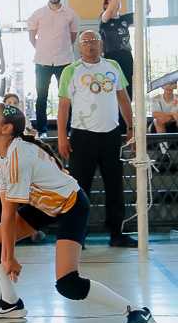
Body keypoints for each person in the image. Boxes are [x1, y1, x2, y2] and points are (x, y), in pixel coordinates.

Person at [0, 103, 155, 323]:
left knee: (68, 284)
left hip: (72, 205)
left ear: (6, 128)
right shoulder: (1, 158)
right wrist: (6, 256)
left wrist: (9, 257)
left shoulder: (19, 154)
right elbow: (6, 210)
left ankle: (136, 311)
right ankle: (10, 304)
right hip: (43, 205)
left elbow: (10, 213)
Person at [57, 30, 137, 248]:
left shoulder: (113, 66)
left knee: (115, 186)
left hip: (111, 135)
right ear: (79, 46)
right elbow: (63, 106)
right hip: (82, 136)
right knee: (79, 188)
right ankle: (77, 236)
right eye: (85, 42)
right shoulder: (70, 71)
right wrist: (62, 136)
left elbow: (123, 98)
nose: (90, 45)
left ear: (101, 44)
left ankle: (117, 233)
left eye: (94, 41)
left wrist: (131, 127)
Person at [27, 0, 78, 138]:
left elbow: (73, 37)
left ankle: (69, 130)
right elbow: (32, 37)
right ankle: (42, 130)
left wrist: (61, 49)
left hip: (65, 61)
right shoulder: (38, 13)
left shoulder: (70, 13)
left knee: (67, 97)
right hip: (42, 62)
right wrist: (43, 49)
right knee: (41, 97)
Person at [99, 0, 135, 100]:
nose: (116, 2)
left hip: (126, 55)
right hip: (111, 56)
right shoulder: (104, 19)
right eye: (112, 1)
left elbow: (143, 12)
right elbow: (108, 14)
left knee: (127, 83)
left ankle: (127, 106)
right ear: (106, 5)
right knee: (112, 82)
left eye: (118, 1)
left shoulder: (125, 18)